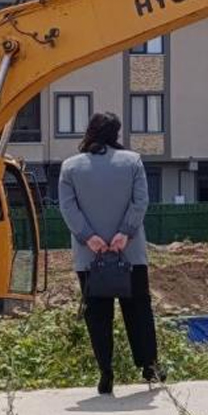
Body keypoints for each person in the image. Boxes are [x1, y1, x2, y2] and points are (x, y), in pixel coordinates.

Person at [58, 112, 161, 395]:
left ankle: (106, 371)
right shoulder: (132, 162)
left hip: (90, 257)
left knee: (98, 315)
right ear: (116, 133)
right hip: (130, 254)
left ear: (89, 130)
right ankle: (149, 367)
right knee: (138, 310)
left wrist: (88, 237)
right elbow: (141, 201)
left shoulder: (70, 167)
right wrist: (125, 233)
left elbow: (68, 208)